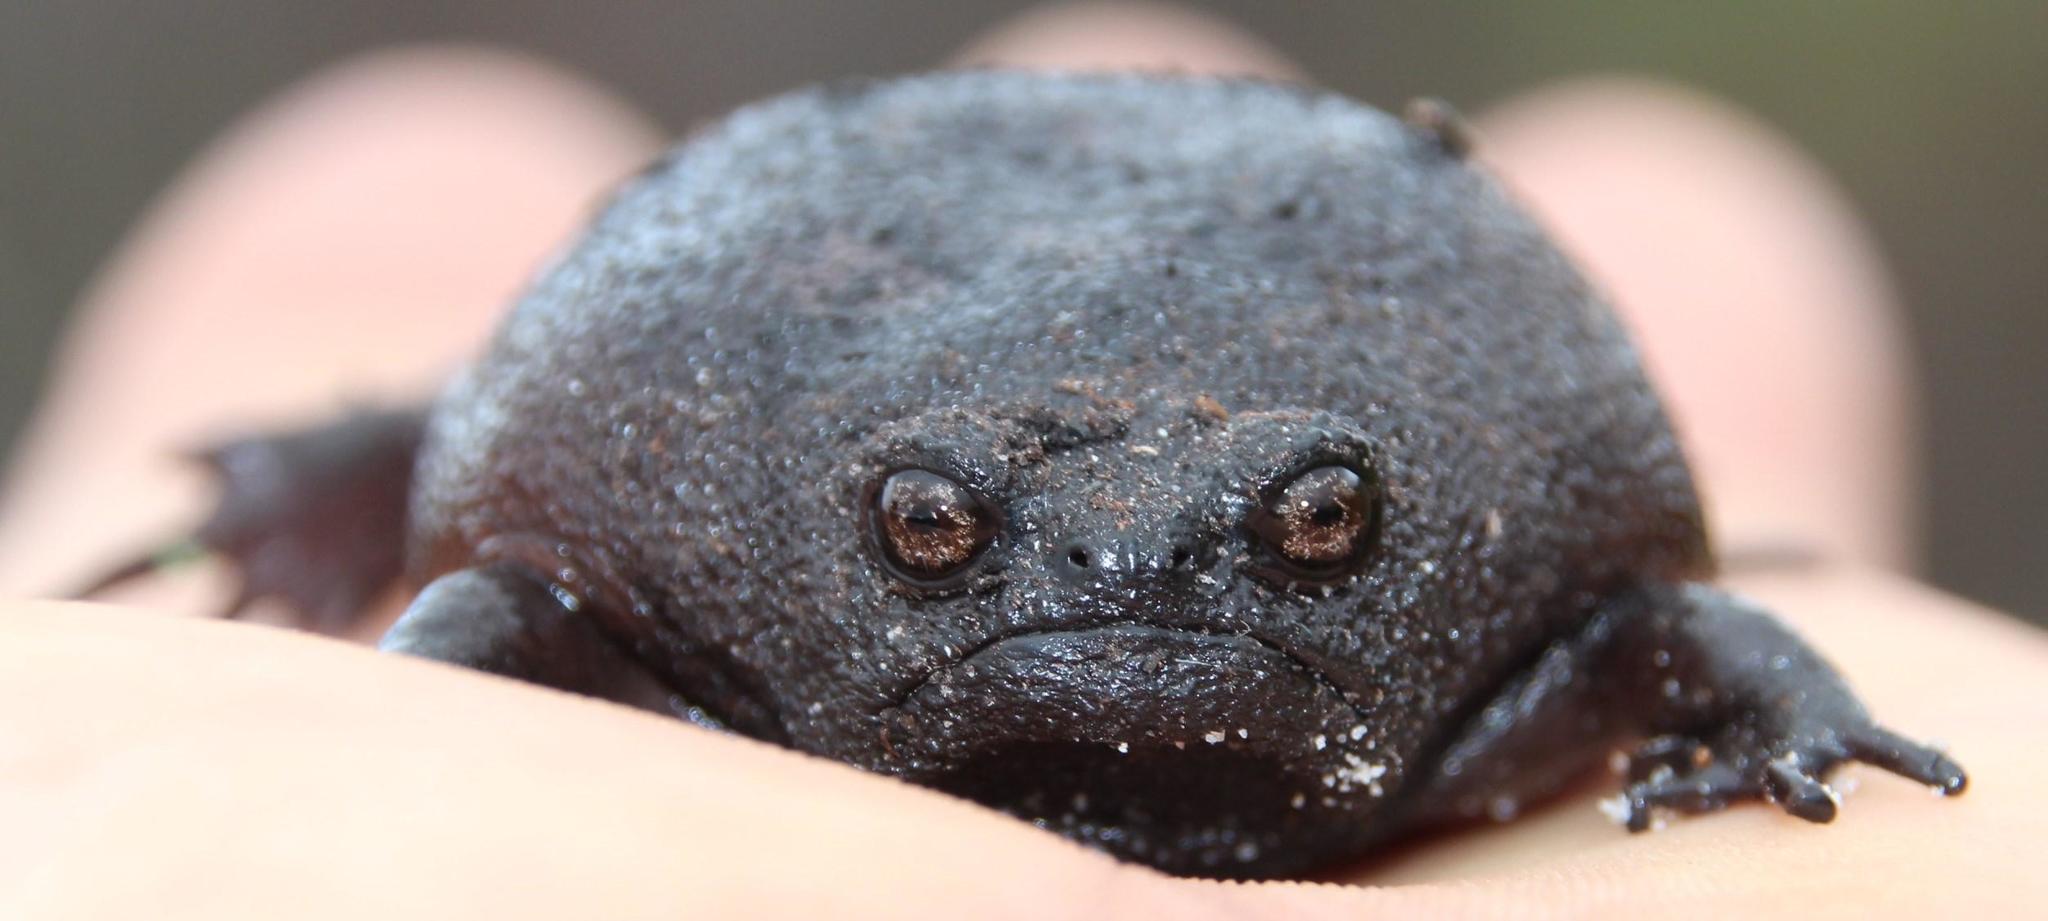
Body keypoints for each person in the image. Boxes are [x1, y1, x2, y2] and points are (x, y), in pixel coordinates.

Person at [1, 3, 2039, 916]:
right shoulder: (694, 526)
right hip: (780, 303)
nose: (1127, 581)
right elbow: (502, 591)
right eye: (944, 534)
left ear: (1375, 513)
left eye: (1309, 529)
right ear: (886, 514)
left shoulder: (1524, 606)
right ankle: (306, 475)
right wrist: (401, 721)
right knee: (482, 424)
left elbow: (1674, 625)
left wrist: (1787, 727)